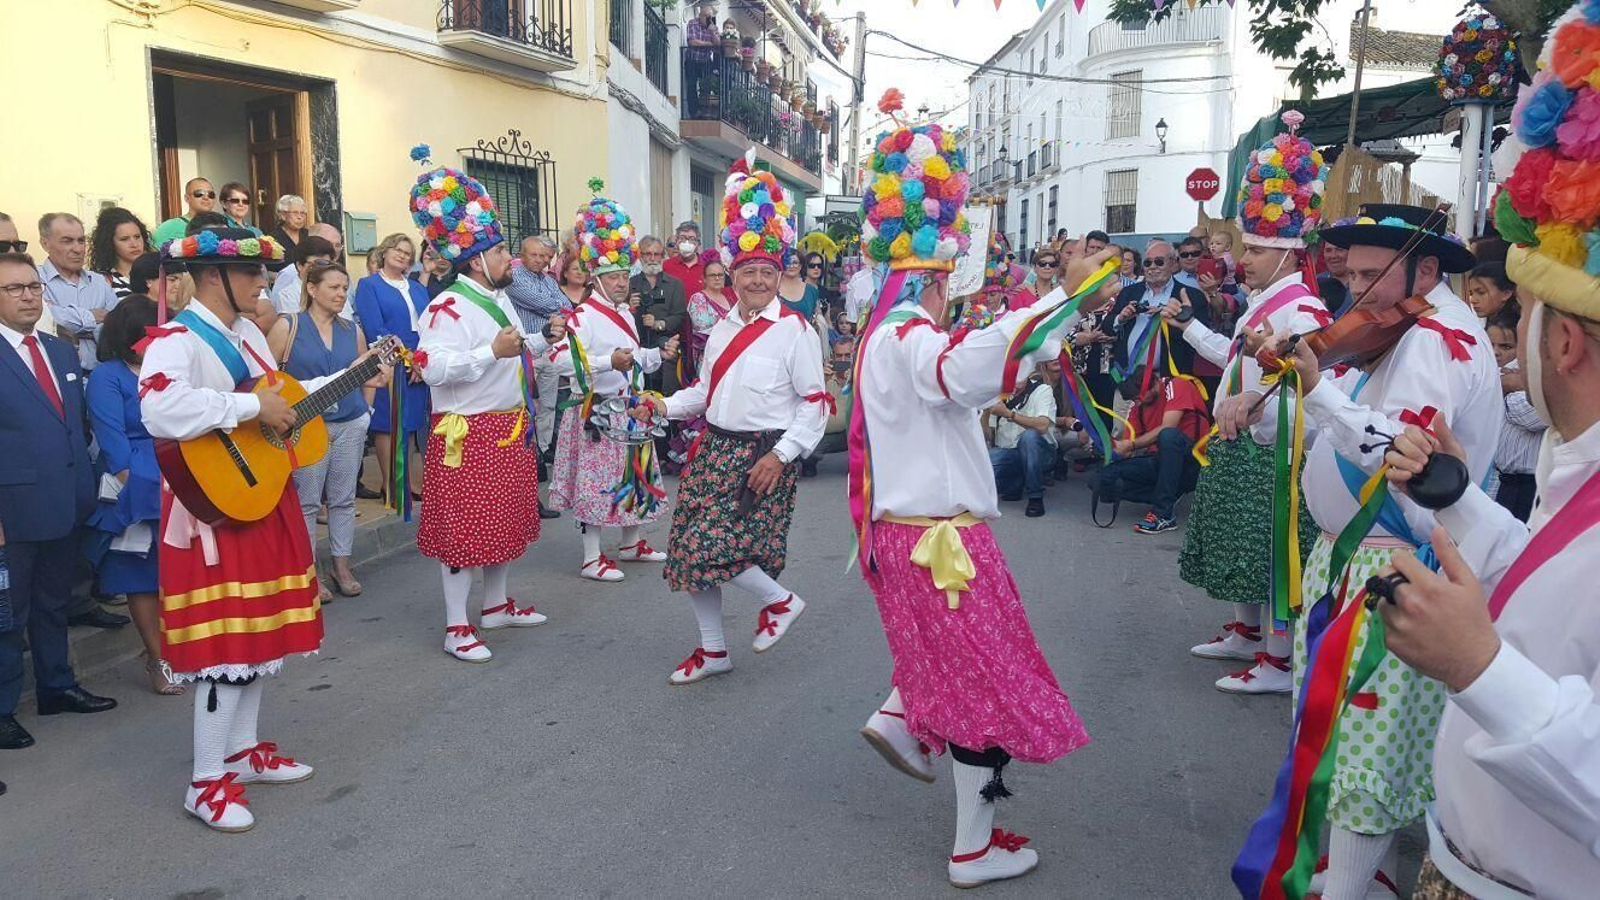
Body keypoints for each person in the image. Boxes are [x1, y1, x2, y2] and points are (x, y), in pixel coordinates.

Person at [849, 104, 1098, 888]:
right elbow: (960, 373)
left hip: (910, 537)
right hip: (939, 543)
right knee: (986, 682)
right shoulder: (910, 336)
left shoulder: (882, 337)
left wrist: (1034, 336)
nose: (951, 295)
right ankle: (971, 847)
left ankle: (900, 711)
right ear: (932, 275)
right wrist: (1052, 307)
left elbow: (958, 386)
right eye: (945, 281)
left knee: (960, 666)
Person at [1372, 45, 1600, 887]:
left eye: (1526, 314)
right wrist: (1460, 499)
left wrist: (1478, 666)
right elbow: (1551, 597)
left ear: (1563, 341)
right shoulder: (1576, 463)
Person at [1250, 205, 1497, 899]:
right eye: (1348, 273)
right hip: (1357, 560)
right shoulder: (1400, 332)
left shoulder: (1435, 340)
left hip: (1392, 562)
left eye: (1370, 274)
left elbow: (1401, 457)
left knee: (1365, 744)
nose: (1354, 294)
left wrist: (1321, 388)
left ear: (1424, 269)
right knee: (1344, 736)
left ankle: (1350, 887)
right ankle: (1363, 875)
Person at [139, 225, 371, 831]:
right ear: (212, 276)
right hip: (212, 512)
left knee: (259, 635)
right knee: (225, 649)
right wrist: (246, 407)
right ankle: (205, 780)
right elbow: (158, 408)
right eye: (252, 274)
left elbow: (282, 401)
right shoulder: (177, 337)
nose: (263, 284)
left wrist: (353, 375)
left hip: (259, 496)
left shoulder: (246, 335)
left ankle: (240, 753)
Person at [632, 155, 825, 683]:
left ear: (778, 272)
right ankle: (714, 651)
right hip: (714, 449)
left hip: (761, 454)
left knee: (712, 546)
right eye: (748, 272)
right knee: (687, 555)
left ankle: (780, 601)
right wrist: (662, 405)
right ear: (733, 276)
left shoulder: (795, 330)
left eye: (767, 271)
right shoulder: (720, 326)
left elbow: (816, 403)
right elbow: (704, 390)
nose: (758, 280)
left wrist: (781, 457)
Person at [1166, 114, 1331, 692]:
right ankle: (1246, 632)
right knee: (1240, 544)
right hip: (1244, 442)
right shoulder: (1264, 301)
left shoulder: (1303, 308)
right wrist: (1189, 327)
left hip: (1277, 450)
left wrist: (1256, 400)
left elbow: (1303, 370)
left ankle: (1280, 662)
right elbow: (1238, 356)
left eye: (1258, 249)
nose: (1246, 259)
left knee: (1270, 551)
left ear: (1287, 253)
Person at [409, 157, 550, 662]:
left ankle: (494, 607)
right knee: (465, 532)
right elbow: (431, 368)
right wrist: (490, 352)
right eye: (502, 252)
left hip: (509, 426)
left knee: (503, 522)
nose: (510, 259)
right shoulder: (444, 308)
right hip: (465, 435)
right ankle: (455, 626)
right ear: (476, 260)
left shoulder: (500, 297)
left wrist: (545, 341)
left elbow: (515, 348)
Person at [0, 250, 117, 754]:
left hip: (65, 502)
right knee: (8, 615)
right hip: (14, 511)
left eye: (33, 287)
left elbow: (74, 428)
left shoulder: (60, 350)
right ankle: (3, 710)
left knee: (54, 603)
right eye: (15, 289)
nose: (29, 296)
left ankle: (56, 686)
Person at [547, 188, 678, 581]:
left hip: (628, 407)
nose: (622, 283)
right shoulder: (583, 315)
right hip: (596, 410)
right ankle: (591, 557)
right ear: (597, 280)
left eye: (624, 276)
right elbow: (558, 361)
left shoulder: (622, 313)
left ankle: (631, 542)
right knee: (598, 485)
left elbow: (632, 359)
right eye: (614, 277)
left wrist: (658, 356)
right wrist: (608, 361)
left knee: (632, 476)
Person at [85, 295, 180, 696]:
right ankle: (157, 659)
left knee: (177, 573)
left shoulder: (171, 368)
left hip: (182, 473)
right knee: (141, 577)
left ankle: (181, 651)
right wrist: (149, 487)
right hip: (135, 485)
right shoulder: (107, 376)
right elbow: (114, 444)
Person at [266, 263, 374, 602]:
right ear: (311, 289)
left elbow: (364, 372)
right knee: (308, 502)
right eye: (334, 287)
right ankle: (307, 570)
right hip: (307, 427)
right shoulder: (288, 326)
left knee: (343, 499)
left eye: (345, 288)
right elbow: (268, 380)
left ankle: (341, 565)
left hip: (350, 420)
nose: (341, 294)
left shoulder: (351, 329)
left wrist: (367, 410)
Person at [353, 233, 431, 506]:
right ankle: (390, 485)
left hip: (419, 362)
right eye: (397, 250)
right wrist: (406, 358)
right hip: (389, 359)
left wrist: (421, 361)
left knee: (409, 424)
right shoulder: (369, 285)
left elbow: (428, 326)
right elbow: (375, 327)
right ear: (384, 252)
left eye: (408, 253)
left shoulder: (417, 287)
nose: (402, 255)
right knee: (389, 424)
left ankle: (406, 482)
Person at [1092, 365, 1209, 534]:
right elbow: (1127, 446)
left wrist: (1131, 445)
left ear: (1154, 383)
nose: (1136, 403)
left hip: (1190, 460)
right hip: (1158, 461)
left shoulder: (1176, 385)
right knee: (1100, 481)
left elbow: (1168, 427)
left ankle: (1163, 513)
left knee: (1168, 436)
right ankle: (1168, 492)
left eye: (1138, 398)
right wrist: (1110, 445)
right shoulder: (1138, 406)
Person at [506, 235, 570, 471]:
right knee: (529, 404)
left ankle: (542, 451)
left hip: (551, 351)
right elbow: (539, 302)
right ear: (522, 255)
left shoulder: (548, 280)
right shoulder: (513, 277)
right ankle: (528, 451)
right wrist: (555, 310)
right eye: (534, 255)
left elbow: (567, 306)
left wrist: (556, 308)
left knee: (549, 404)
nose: (540, 260)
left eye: (544, 256)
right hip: (529, 350)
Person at [1107, 239, 1210, 380]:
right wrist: (1120, 318)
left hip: (1170, 380)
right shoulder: (1128, 292)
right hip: (1127, 380)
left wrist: (1173, 318)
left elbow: (1201, 340)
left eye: (1159, 262)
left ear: (1173, 263)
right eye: (1148, 263)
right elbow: (1106, 326)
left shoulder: (1192, 296)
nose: (1152, 267)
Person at [669, 257, 737, 467]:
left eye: (720, 275)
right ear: (704, 279)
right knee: (707, 398)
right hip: (707, 355)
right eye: (712, 275)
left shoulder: (730, 297)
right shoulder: (699, 298)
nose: (717, 279)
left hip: (731, 356)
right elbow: (701, 327)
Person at [38, 212, 119, 371]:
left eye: (81, 241)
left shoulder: (99, 281)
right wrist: (92, 318)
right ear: (45, 243)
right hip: (57, 376)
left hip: (102, 375)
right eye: (67, 241)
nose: (78, 249)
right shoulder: (34, 279)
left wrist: (68, 324)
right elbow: (44, 321)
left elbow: (117, 328)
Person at [1484, 307, 1543, 522]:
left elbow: (1529, 414)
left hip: (1530, 485)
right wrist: (1510, 385)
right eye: (1491, 344)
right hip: (1502, 482)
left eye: (1506, 346)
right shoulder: (1490, 373)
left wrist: (1508, 390)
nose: (1496, 351)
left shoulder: (1536, 372)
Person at [986, 358, 1060, 517]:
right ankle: (1015, 482)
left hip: (1041, 452)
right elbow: (988, 435)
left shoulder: (1042, 390)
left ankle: (1035, 497)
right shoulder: (1000, 394)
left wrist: (1008, 414)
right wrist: (985, 411)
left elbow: (1042, 426)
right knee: (983, 465)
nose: (1014, 382)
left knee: (1029, 437)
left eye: (1018, 376)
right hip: (1010, 453)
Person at [631, 236, 688, 393]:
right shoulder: (631, 284)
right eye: (648, 254)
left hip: (665, 350)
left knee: (665, 398)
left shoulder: (675, 284)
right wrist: (630, 308)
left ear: (663, 256)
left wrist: (659, 323)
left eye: (657, 254)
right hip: (638, 350)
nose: (652, 258)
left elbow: (679, 315)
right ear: (640, 256)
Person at [270, 224, 348, 319]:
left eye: (326, 264)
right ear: (299, 265)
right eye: (314, 264)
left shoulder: (338, 290)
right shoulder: (287, 295)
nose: (320, 269)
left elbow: (348, 320)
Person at [88, 207, 154, 300]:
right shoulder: (102, 282)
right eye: (124, 239)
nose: (134, 244)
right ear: (109, 243)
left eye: (137, 237)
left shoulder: (158, 272)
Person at [152, 177, 217, 247]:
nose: (206, 198)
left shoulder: (221, 226)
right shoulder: (169, 228)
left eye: (211, 194)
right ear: (187, 198)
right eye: (199, 193)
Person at [662, 221, 706, 298]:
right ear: (677, 242)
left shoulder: (707, 267)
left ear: (698, 244)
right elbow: (659, 295)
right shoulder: (666, 266)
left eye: (691, 239)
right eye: (682, 238)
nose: (686, 243)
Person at [1317, 227, 1354, 316]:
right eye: (1328, 250)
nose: (1333, 256)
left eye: (1339, 249)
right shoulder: (1314, 282)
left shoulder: (1361, 287)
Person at [777, 252, 819, 320]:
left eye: (795, 263)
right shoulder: (773, 288)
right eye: (788, 262)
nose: (791, 265)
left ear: (800, 266)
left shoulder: (811, 291)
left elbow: (817, 316)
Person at [269, 195, 308, 260]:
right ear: (283, 215)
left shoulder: (309, 235)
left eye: (302, 213)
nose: (299, 217)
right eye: (295, 213)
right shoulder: (273, 239)